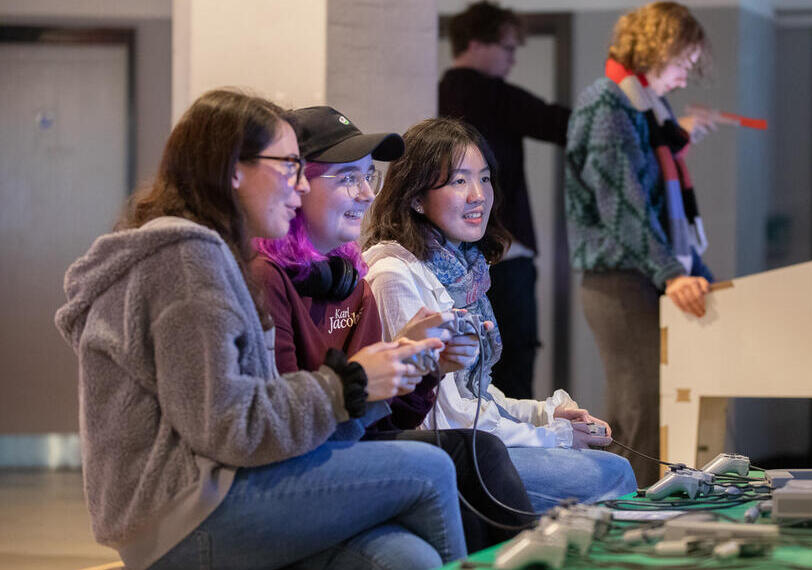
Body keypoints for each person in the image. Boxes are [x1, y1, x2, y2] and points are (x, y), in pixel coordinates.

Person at [55, 89, 466, 569]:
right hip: (184, 514)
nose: (300, 186)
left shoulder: (212, 256)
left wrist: (376, 383)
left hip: (214, 495)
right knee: (433, 467)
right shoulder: (190, 259)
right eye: (290, 166)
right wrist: (350, 385)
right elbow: (229, 427)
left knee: (404, 557)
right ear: (233, 168)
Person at [252, 105, 535, 552]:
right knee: (459, 464)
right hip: (294, 470)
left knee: (474, 454)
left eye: (370, 176)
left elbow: (390, 420)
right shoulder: (268, 280)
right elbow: (284, 426)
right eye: (348, 177)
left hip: (348, 446)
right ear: (296, 185)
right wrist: (362, 382)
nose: (366, 192)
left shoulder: (350, 279)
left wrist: (425, 366)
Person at [361, 117, 637, 512]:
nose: (478, 195)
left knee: (612, 467)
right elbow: (448, 416)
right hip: (439, 455)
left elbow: (473, 394)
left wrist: (543, 414)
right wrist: (555, 435)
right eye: (458, 181)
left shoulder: (462, 268)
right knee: (612, 475)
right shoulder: (395, 274)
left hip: (472, 442)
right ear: (416, 197)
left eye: (484, 178)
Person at [565, 1, 717, 485]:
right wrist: (673, 273)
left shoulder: (646, 107)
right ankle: (629, 530)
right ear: (659, 48)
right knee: (641, 410)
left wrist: (699, 276)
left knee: (655, 407)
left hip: (642, 275)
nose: (686, 76)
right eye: (684, 63)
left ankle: (652, 515)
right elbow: (623, 209)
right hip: (618, 281)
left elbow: (649, 193)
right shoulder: (606, 103)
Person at [440, 1, 571, 399]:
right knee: (513, 361)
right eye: (508, 48)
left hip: (459, 252)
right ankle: (517, 456)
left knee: (475, 368)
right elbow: (562, 124)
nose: (513, 59)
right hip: (504, 250)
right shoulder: (490, 93)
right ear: (477, 43)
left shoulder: (443, 92)